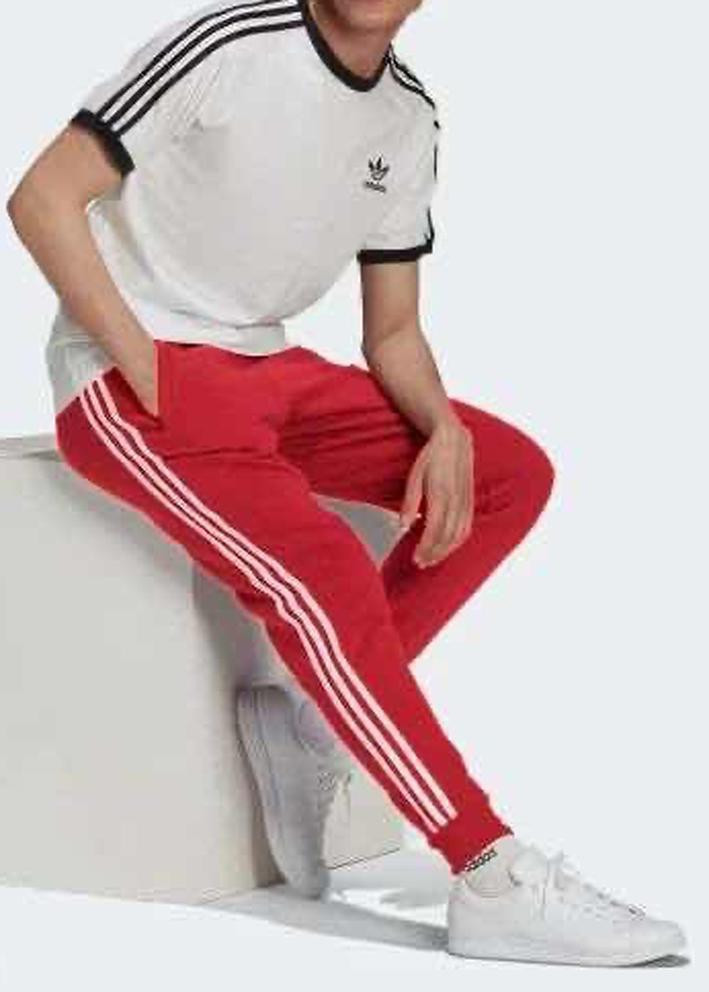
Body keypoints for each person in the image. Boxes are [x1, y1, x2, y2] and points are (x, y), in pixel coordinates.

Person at [7, 0, 687, 967]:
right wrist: (142, 362)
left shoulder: (407, 117)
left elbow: (393, 332)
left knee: (506, 474)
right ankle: (487, 874)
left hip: (270, 369)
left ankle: (313, 716)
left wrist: (442, 427)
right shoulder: (229, 45)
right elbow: (42, 196)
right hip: (135, 378)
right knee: (322, 572)